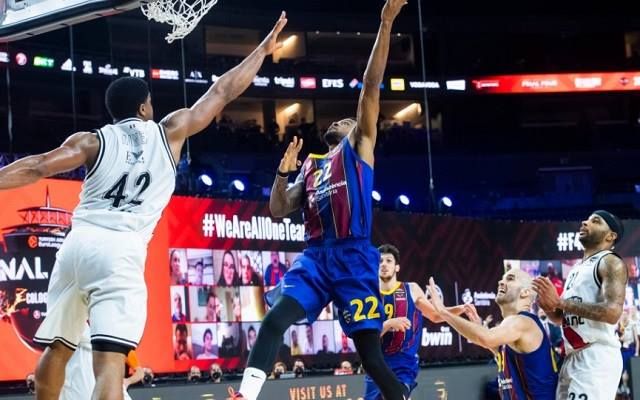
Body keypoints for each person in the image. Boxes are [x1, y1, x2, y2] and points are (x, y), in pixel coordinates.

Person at [0, 13, 287, 400]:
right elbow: (222, 92)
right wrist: (261, 51)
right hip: (120, 250)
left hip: (77, 244)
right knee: (109, 363)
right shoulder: (170, 132)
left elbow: (36, 166)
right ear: (144, 108)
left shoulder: (91, 141)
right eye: (150, 101)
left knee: (58, 346)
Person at [233, 2, 409, 400]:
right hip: (315, 258)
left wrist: (385, 23)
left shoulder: (359, 147)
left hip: (354, 256)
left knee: (371, 357)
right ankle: (245, 395)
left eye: (346, 120)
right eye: (338, 121)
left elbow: (370, 86)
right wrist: (282, 175)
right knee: (274, 320)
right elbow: (278, 209)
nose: (339, 121)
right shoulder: (312, 165)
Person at [533, 210, 628, 400]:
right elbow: (562, 317)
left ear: (610, 236)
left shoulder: (610, 261)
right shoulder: (577, 269)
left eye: (595, 221)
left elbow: (612, 313)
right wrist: (548, 307)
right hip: (572, 356)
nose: (585, 222)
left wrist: (560, 302)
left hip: (596, 355)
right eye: (587, 219)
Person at [428, 270, 559, 399]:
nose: (501, 282)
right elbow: (499, 349)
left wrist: (443, 312)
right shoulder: (515, 328)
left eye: (510, 279)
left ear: (525, 292)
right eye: (502, 278)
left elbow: (486, 338)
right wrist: (479, 328)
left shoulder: (523, 322)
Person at [364, 244, 467, 400]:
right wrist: (389, 323)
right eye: (380, 261)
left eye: (388, 261)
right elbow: (367, 339)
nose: (383, 264)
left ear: (397, 267)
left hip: (403, 364)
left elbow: (436, 316)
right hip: (377, 364)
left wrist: (461, 308)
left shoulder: (411, 289)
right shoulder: (368, 295)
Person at [60, 328, 145, 400]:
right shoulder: (80, 331)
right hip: (79, 380)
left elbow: (140, 372)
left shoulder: (116, 344)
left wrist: (127, 381)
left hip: (110, 383)